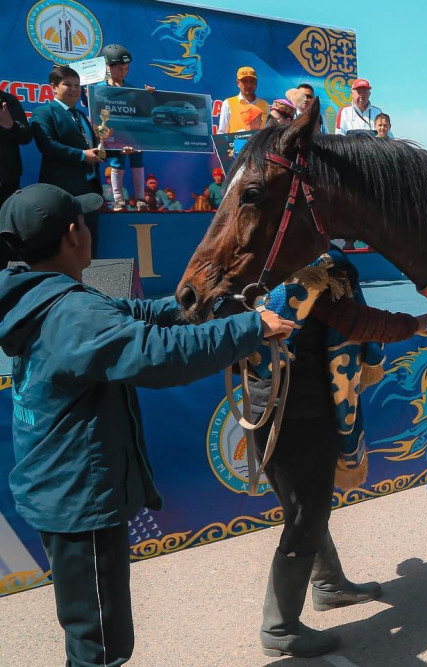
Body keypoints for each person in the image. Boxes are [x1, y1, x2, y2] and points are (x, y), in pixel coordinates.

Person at [0, 183, 294, 667]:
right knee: (100, 645)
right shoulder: (73, 313)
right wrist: (250, 328)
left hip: (58, 491)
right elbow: (158, 357)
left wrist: (195, 307)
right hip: (79, 502)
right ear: (76, 235)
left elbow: (129, 314)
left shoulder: (45, 297)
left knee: (93, 631)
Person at [245, 248, 427, 657]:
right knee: (304, 516)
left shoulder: (259, 268)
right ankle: (279, 627)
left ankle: (329, 584)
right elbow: (357, 322)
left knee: (307, 507)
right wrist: (412, 324)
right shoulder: (315, 273)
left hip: (266, 409)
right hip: (301, 416)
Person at [30, 65, 103, 256]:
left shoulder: (82, 116)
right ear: (54, 87)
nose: (74, 89)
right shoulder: (44, 112)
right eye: (67, 85)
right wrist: (82, 155)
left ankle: (87, 285)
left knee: (88, 247)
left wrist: (117, 150)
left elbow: (93, 149)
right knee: (63, 247)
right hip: (62, 191)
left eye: (77, 85)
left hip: (90, 190)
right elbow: (48, 146)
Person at [96, 44, 153, 211]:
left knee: (137, 159)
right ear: (108, 67)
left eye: (127, 69)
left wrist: (149, 96)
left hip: (133, 133)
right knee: (117, 161)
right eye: (120, 69)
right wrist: (88, 96)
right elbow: (93, 108)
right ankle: (118, 199)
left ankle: (140, 199)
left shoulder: (132, 89)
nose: (124, 72)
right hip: (114, 133)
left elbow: (143, 108)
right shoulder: (99, 88)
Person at [0, 88, 32, 268]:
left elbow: (26, 136)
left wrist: (9, 124)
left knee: (6, 244)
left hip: (6, 187)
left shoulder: (8, 101)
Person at [218, 67, 269, 133]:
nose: (249, 85)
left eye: (252, 81)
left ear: (256, 83)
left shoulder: (265, 105)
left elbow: (269, 133)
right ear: (237, 83)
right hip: (236, 143)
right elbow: (222, 133)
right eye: (245, 81)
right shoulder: (228, 103)